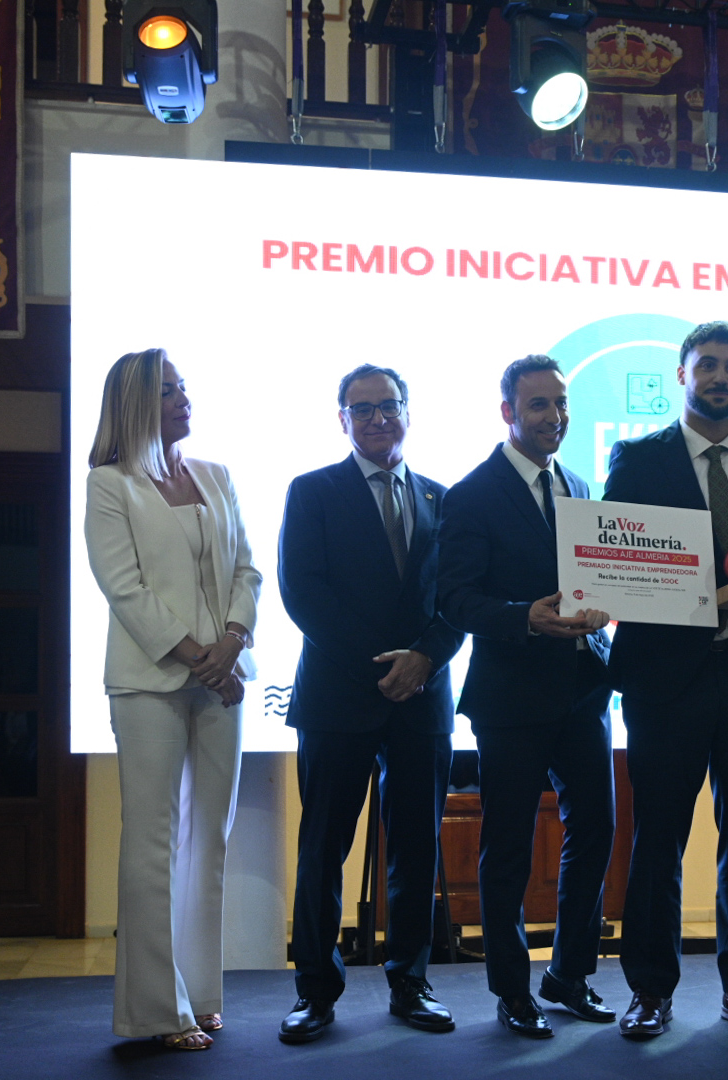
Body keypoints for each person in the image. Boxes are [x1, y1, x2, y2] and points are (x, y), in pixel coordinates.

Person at [603, 320, 728, 1039]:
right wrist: (708, 597)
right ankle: (649, 992)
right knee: (658, 839)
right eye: (709, 364)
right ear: (682, 375)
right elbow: (618, 569)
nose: (721, 376)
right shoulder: (638, 458)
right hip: (666, 681)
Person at [277, 364, 464, 1044]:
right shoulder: (312, 491)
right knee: (324, 847)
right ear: (343, 420)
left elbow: (459, 598)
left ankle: (411, 982)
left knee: (416, 848)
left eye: (390, 405)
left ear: (408, 411)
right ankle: (315, 991)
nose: (379, 418)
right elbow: (303, 593)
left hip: (424, 696)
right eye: (363, 409)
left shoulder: (444, 498)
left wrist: (424, 659)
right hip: (338, 695)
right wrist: (385, 664)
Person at [84, 348, 261, 1050]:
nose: (183, 399)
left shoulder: (216, 475)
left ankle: (201, 994)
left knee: (209, 838)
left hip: (223, 677)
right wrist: (200, 659)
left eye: (183, 387)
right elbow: (123, 587)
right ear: (133, 404)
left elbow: (247, 569)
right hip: (149, 681)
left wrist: (233, 641)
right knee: (151, 842)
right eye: (166, 391)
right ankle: (157, 1011)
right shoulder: (109, 484)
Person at [437, 355, 617, 1039]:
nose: (554, 417)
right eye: (539, 404)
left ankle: (569, 975)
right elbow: (453, 599)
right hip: (511, 697)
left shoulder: (579, 485)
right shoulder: (471, 494)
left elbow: (596, 578)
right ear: (508, 412)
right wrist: (525, 617)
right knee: (509, 846)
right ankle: (512, 990)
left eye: (561, 403)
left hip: (584, 690)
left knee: (595, 831)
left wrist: (607, 606)